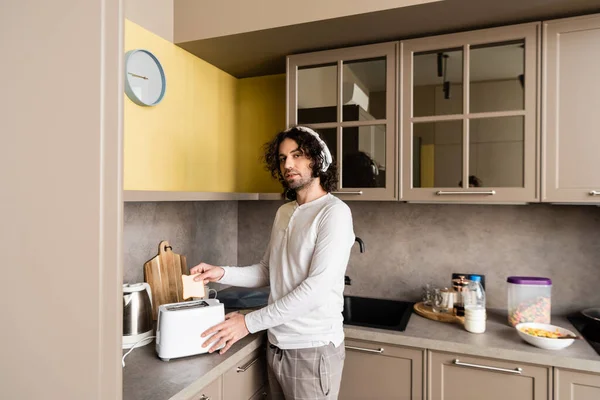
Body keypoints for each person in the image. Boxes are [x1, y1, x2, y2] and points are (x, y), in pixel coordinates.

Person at [190, 126, 355, 400]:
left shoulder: (334, 213)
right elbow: (268, 270)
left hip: (311, 350)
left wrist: (248, 323)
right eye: (282, 158)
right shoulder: (284, 212)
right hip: (276, 345)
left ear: (318, 160)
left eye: (297, 155)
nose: (288, 164)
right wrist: (221, 272)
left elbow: (315, 290)